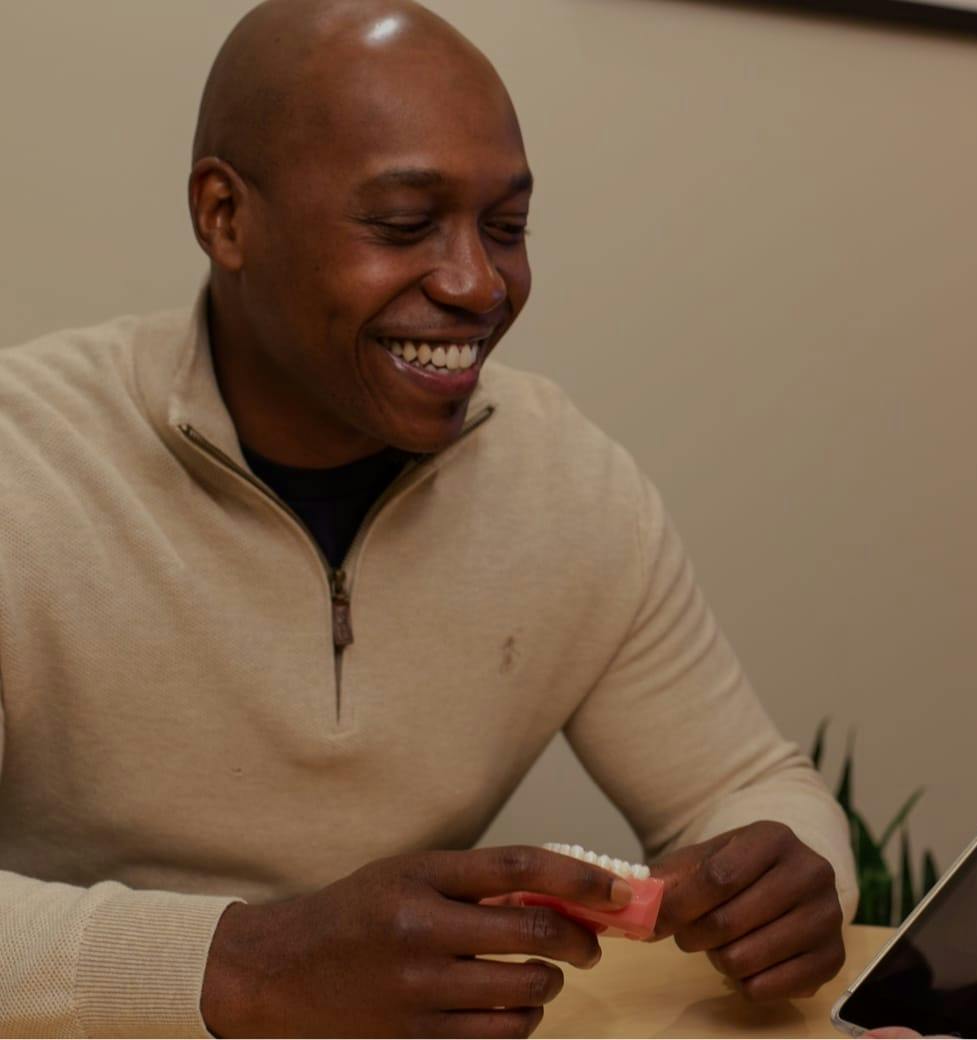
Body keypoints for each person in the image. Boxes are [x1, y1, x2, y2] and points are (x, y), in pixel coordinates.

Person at [0, 1, 857, 1035]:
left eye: (506, 227)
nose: (477, 283)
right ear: (225, 216)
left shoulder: (566, 482)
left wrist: (779, 869)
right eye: (404, 225)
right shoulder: (25, 464)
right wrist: (254, 965)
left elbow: (741, 781)